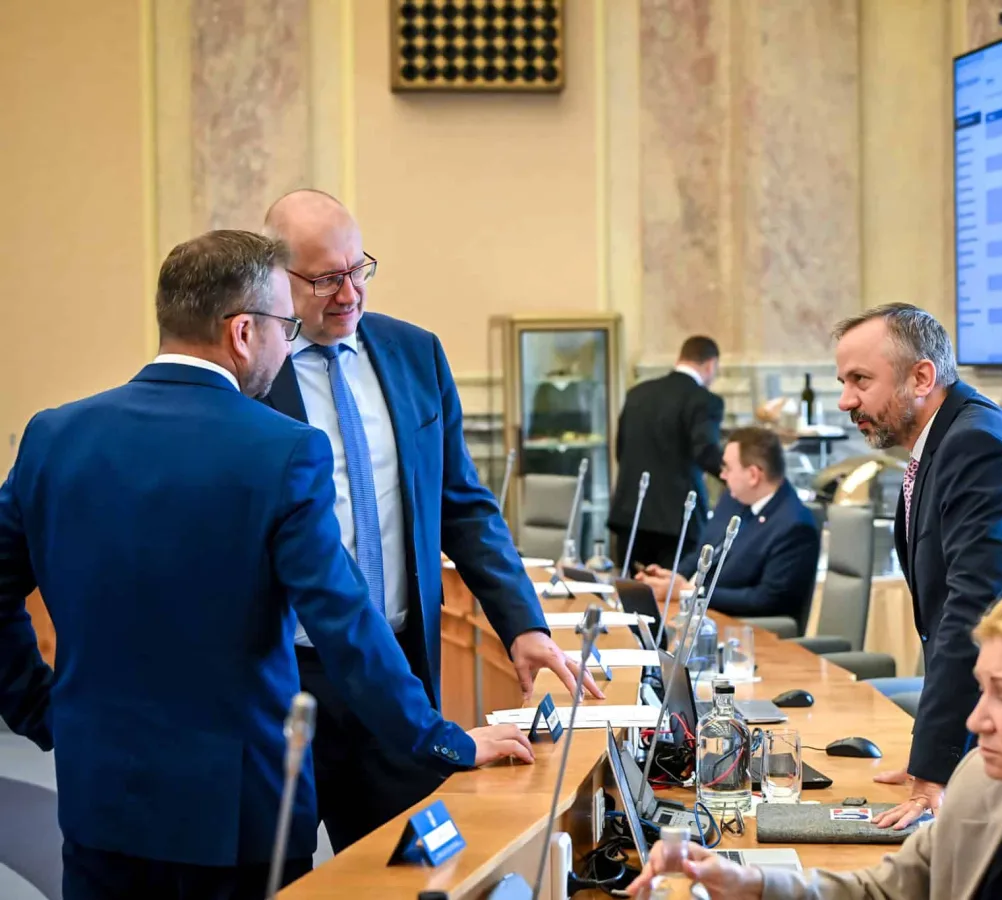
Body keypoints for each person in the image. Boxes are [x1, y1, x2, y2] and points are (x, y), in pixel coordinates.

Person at [0, 231, 533, 900]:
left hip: (100, 800)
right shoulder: (282, 451)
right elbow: (345, 625)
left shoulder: (54, 435)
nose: (288, 348)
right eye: (286, 328)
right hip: (237, 816)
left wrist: (41, 708)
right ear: (244, 332)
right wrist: (443, 740)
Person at [259, 189, 599, 853]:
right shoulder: (252, 370)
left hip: (398, 669)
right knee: (282, 872)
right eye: (326, 279)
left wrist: (522, 623)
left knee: (411, 868)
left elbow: (462, 504)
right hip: (285, 675)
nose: (350, 293)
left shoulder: (415, 353)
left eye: (359, 269)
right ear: (278, 277)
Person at [629, 584, 1002, 899]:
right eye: (982, 690)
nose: (976, 720)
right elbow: (887, 890)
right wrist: (748, 883)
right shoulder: (984, 780)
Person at [833, 303, 1002, 828]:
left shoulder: (975, 445)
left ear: (922, 378)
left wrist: (934, 772)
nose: (845, 400)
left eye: (860, 380)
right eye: (843, 382)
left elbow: (974, 612)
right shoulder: (949, 438)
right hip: (998, 719)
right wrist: (928, 756)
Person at [637, 427, 819, 632]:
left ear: (753, 475)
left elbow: (766, 600)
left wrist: (691, 592)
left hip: (743, 630)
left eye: (728, 468)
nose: (722, 475)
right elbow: (702, 552)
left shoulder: (794, 526)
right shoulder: (733, 500)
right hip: (697, 616)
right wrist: (672, 579)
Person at [608, 336, 725, 572]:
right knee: (673, 590)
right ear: (710, 365)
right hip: (678, 519)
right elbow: (705, 451)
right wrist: (734, 477)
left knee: (631, 590)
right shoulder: (703, 400)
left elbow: (621, 449)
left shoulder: (637, 394)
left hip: (631, 513)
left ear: (680, 358)